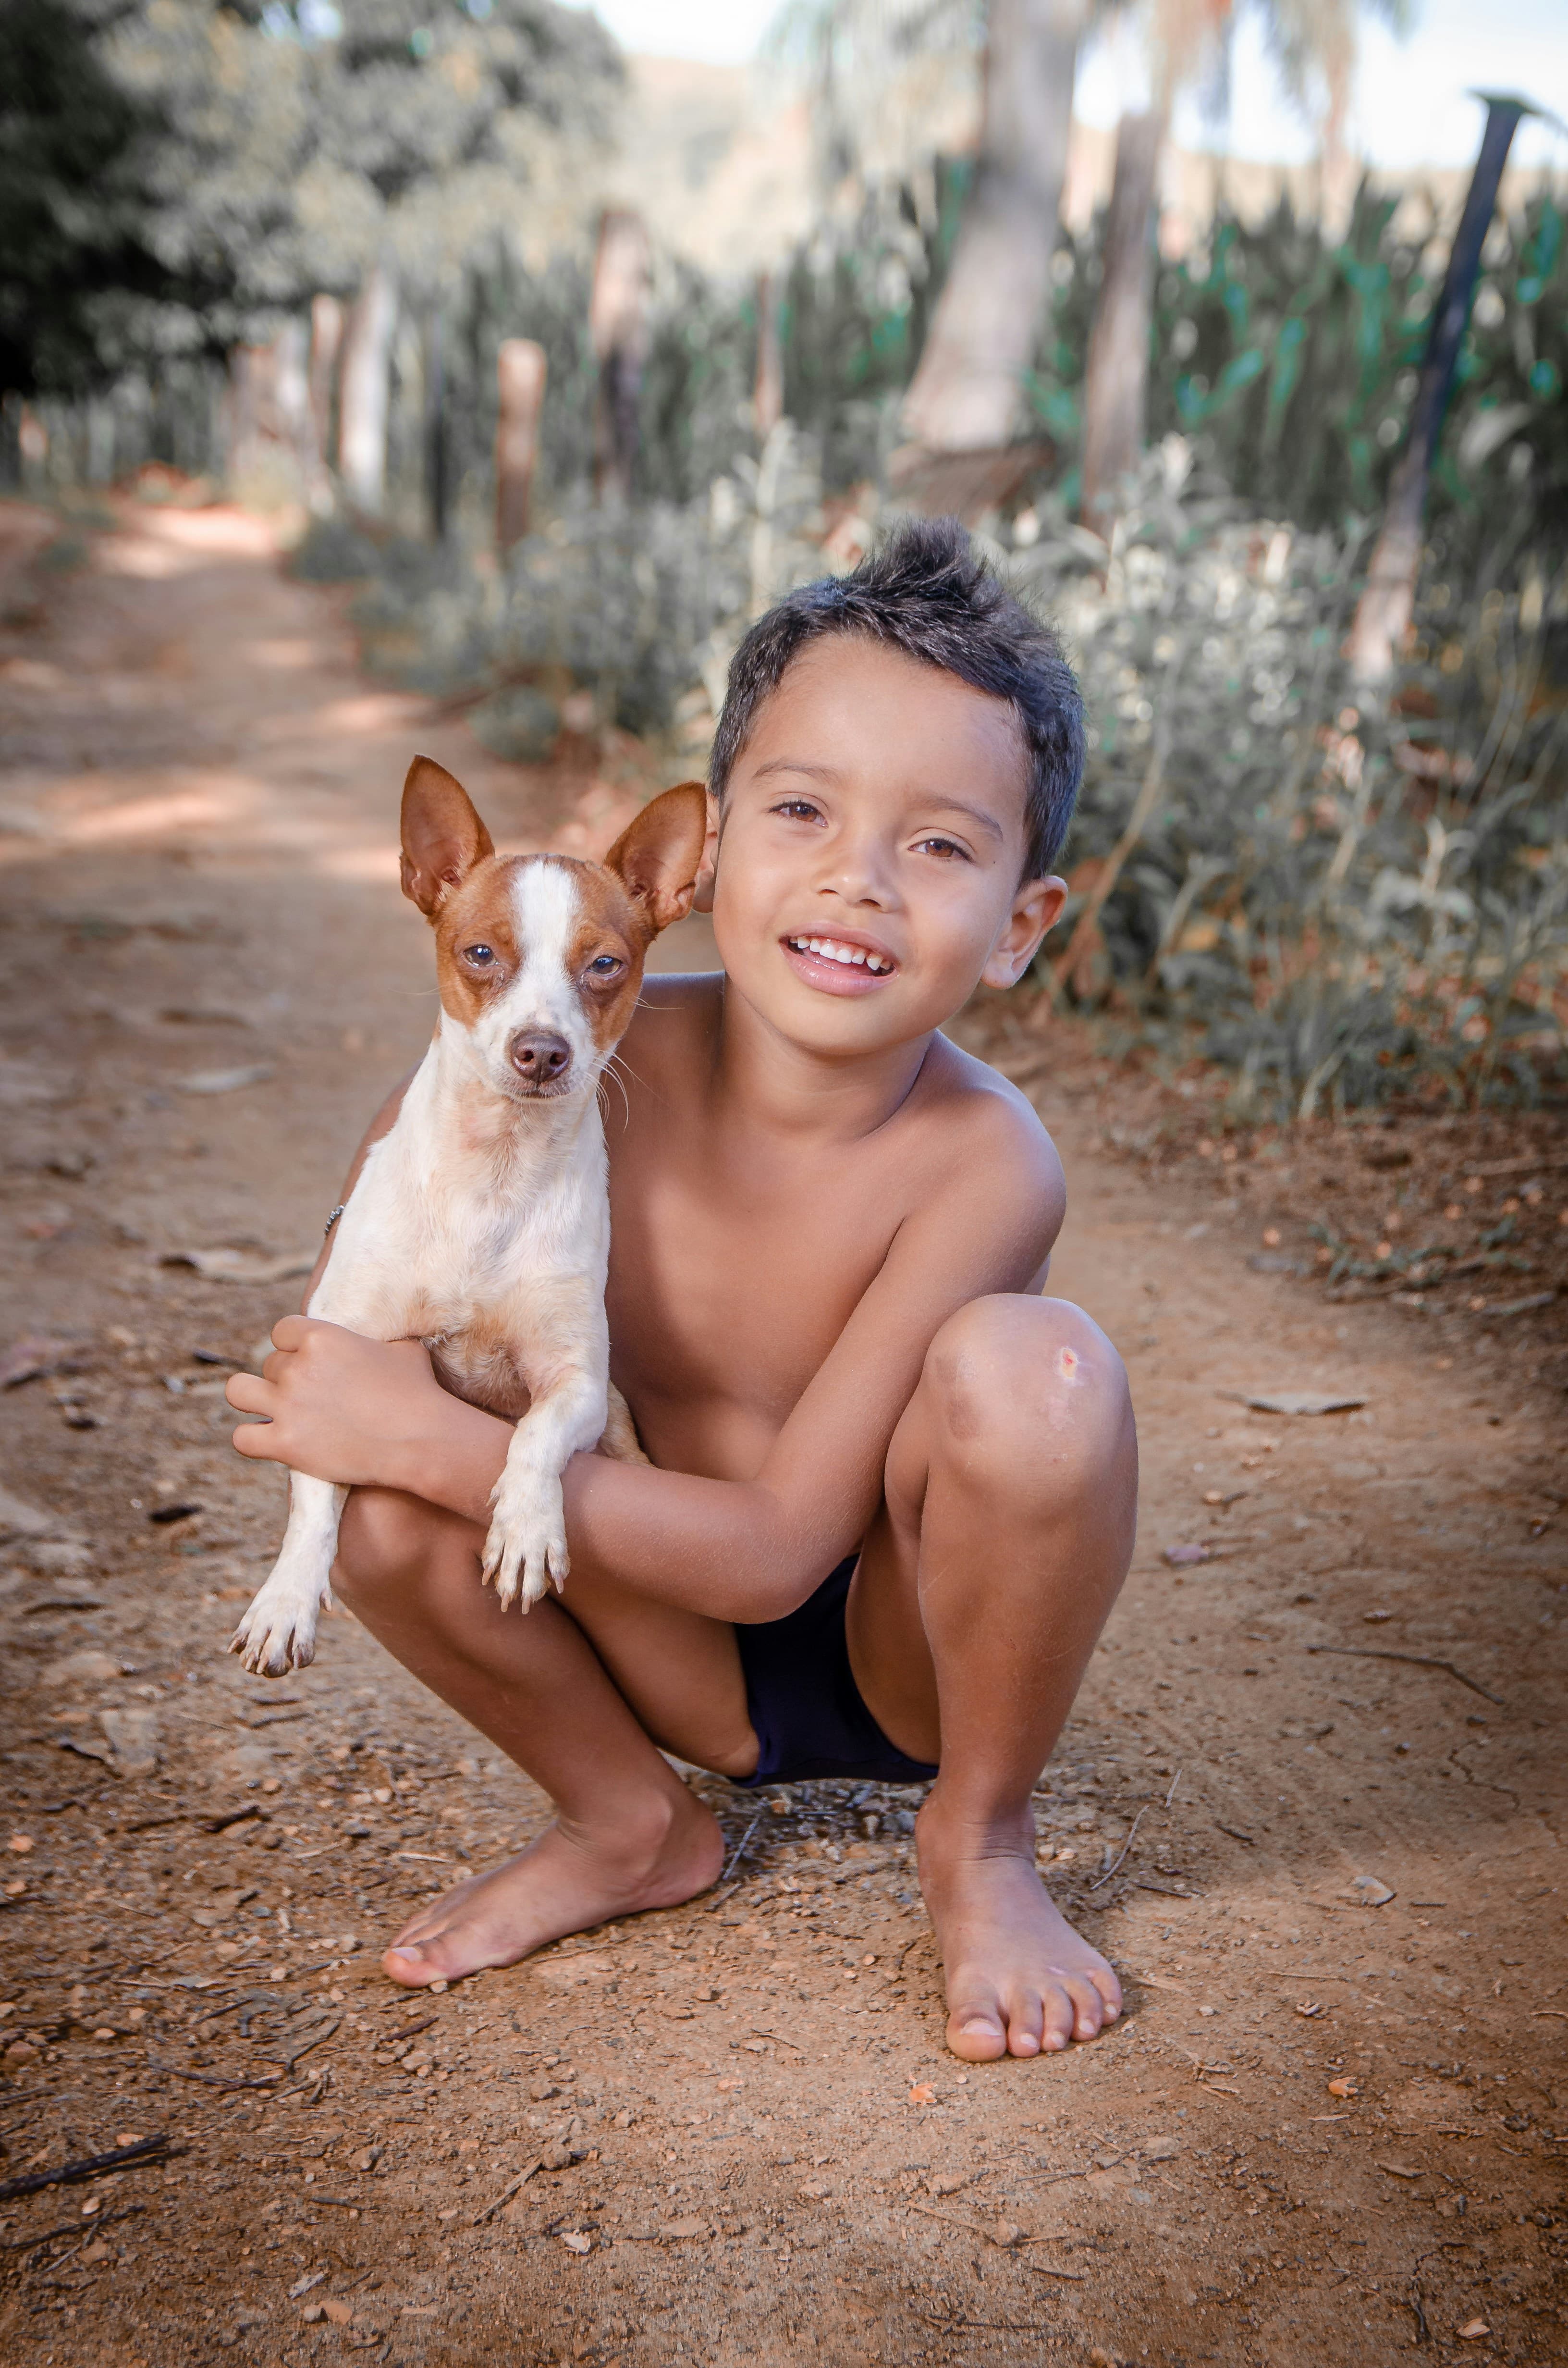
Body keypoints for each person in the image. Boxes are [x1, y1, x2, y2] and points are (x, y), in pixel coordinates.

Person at [227, 519, 1138, 2063]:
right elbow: (379, 1279)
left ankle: (981, 1845)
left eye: (938, 844)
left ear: (1021, 929)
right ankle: (628, 1819)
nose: (858, 882)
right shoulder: (572, 1055)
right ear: (703, 855)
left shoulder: (987, 1161)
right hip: (668, 1637)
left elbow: (786, 1549)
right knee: (375, 1495)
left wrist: (434, 1440)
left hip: (889, 1642)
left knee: (1038, 1373)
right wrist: (376, 1399)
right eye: (804, 809)